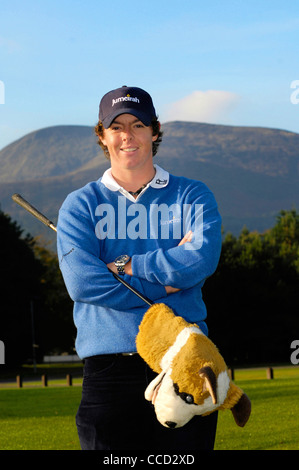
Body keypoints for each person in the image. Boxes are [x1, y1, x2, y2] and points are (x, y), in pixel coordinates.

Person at [57, 86, 222, 451]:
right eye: (116, 127)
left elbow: (201, 260)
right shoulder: (80, 204)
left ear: (155, 130)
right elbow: (83, 283)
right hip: (108, 367)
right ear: (102, 135)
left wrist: (128, 265)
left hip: (185, 359)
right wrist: (165, 287)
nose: (127, 136)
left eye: (137, 125)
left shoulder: (192, 195)